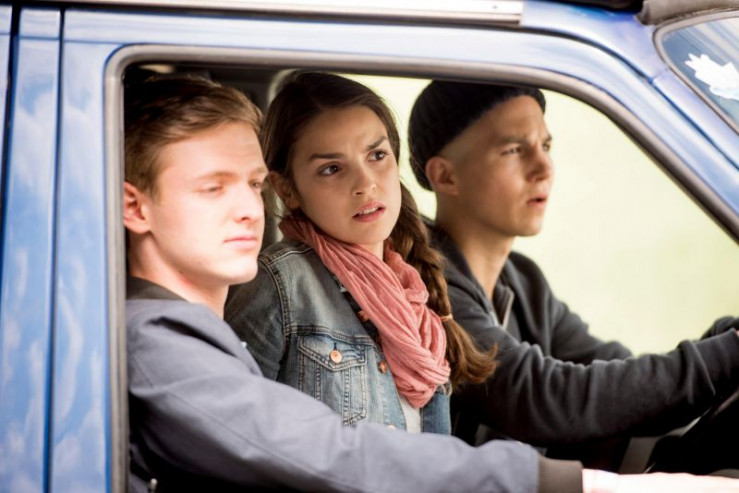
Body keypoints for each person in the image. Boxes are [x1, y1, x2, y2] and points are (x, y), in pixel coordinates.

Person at [123, 74, 739, 493]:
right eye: (213, 187)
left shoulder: (419, 290)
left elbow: (604, 373)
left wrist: (720, 348)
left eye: (378, 156)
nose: (246, 210)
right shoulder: (260, 292)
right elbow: (321, 451)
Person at [407, 80, 739, 465]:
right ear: (446, 176)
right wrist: (727, 355)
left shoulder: (523, 281)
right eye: (514, 150)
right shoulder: (426, 286)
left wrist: (724, 338)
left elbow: (612, 375)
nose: (544, 168)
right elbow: (545, 398)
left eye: (546, 146)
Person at [225, 71, 495, 434]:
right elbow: (231, 438)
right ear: (287, 190)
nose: (366, 183)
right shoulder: (280, 284)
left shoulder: (413, 287)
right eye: (332, 168)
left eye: (377, 155)